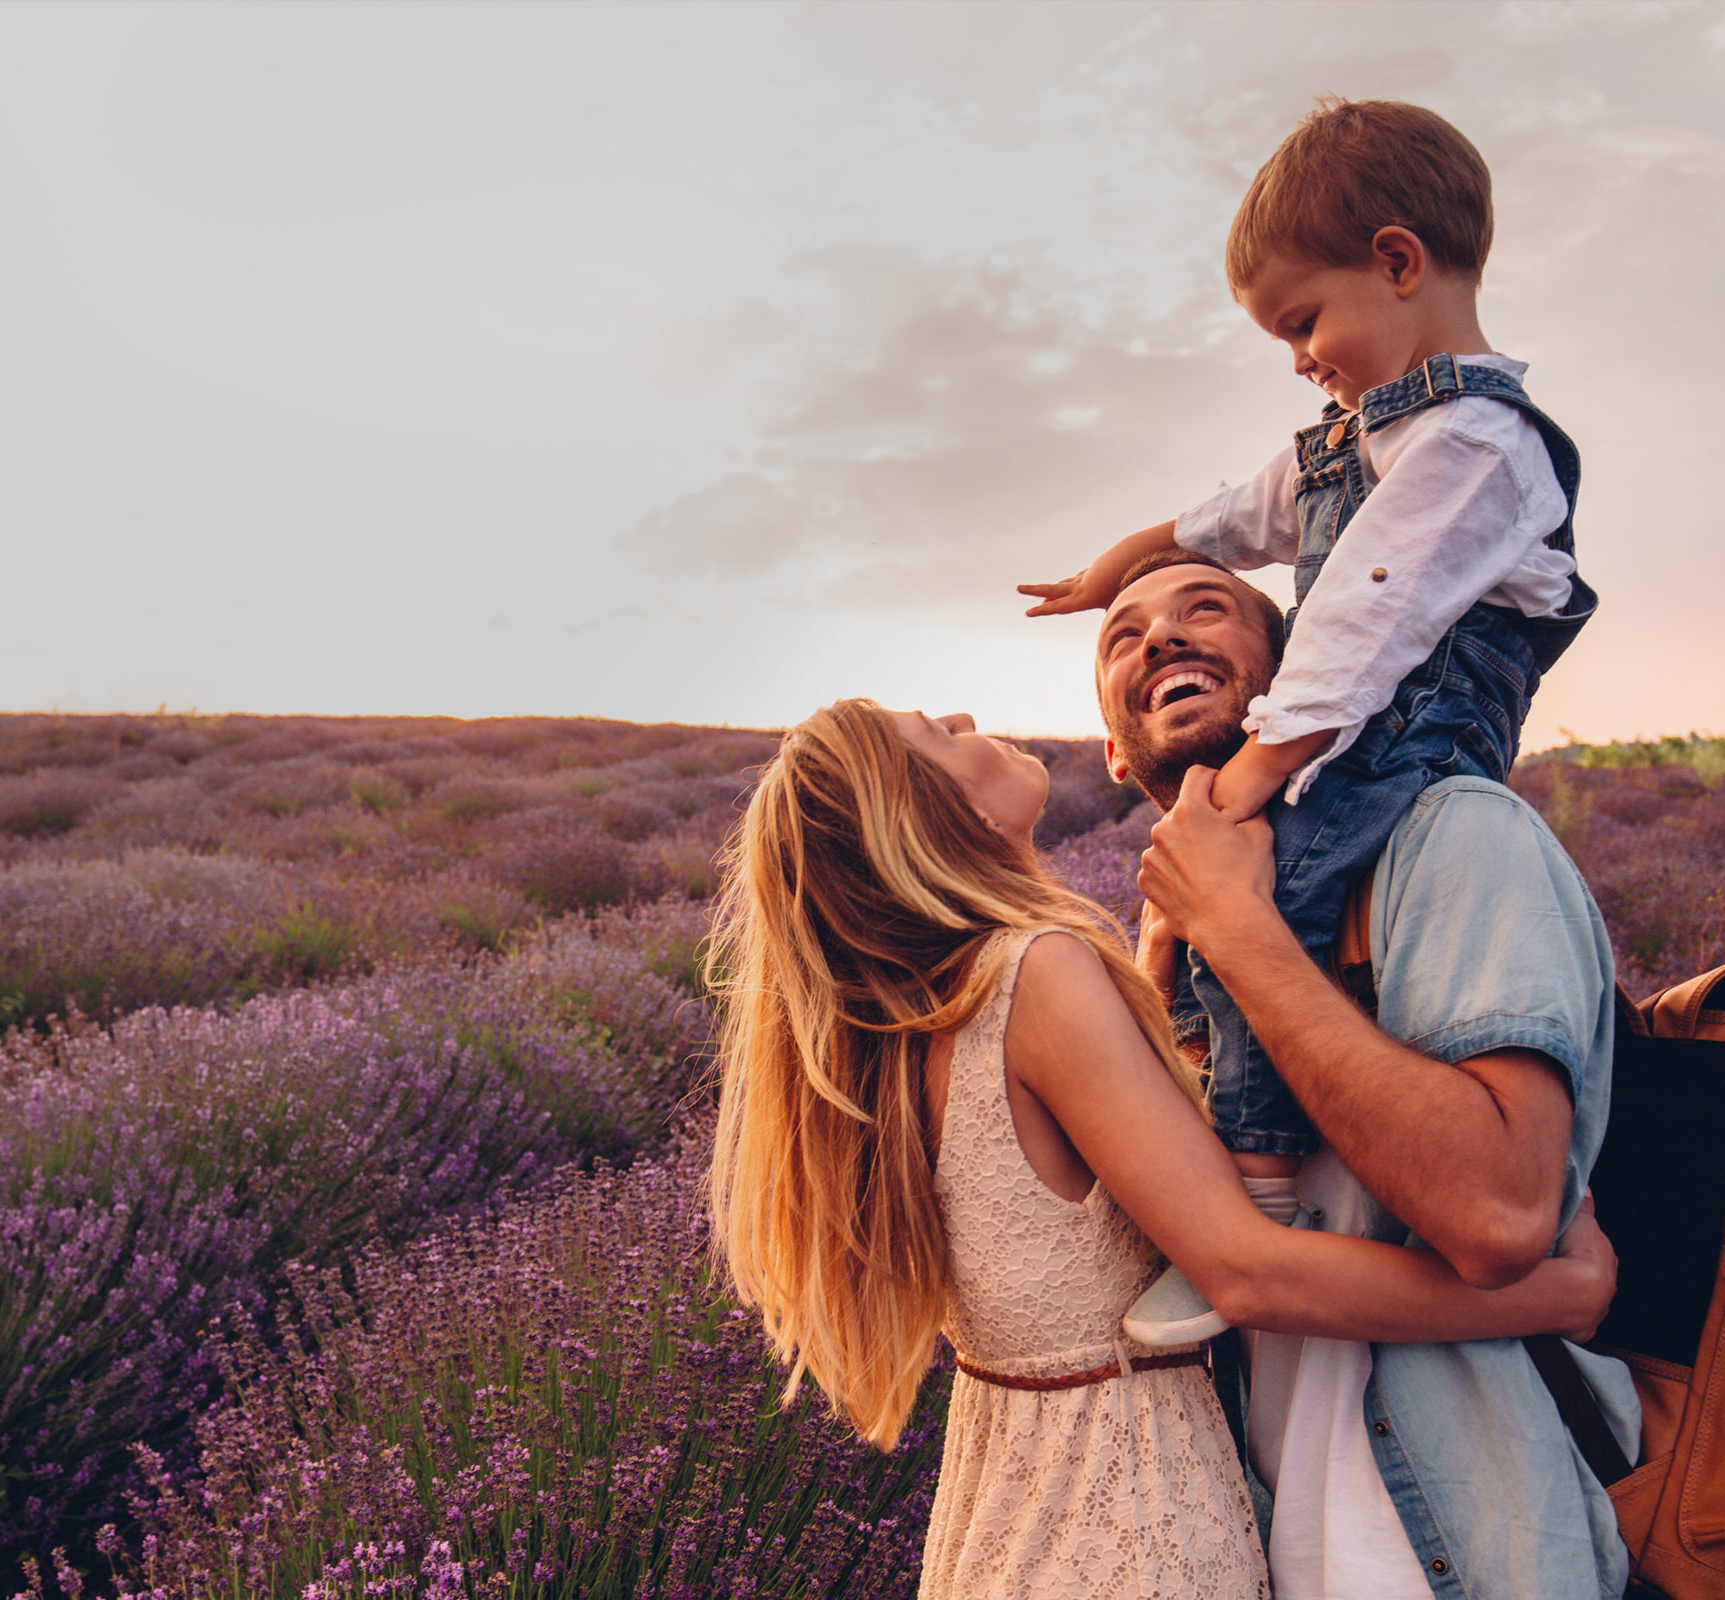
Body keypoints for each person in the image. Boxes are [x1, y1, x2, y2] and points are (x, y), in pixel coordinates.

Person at [701, 697, 1615, 1600]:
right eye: (939, 735)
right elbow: (1248, 1272)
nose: (968, 716)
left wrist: (1150, 969)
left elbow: (1061, 1185)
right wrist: (1549, 1293)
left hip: (1005, 1516)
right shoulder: (1036, 973)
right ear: (943, 815)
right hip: (1132, 1526)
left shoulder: (917, 1020)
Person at [1018, 99, 1599, 1347]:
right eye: (1124, 637)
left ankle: (1255, 1182)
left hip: (1418, 732)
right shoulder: (1361, 437)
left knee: (1267, 885)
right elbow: (1238, 513)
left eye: (1302, 322)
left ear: (1398, 262)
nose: (1296, 357)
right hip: (1352, 721)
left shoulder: (1473, 443)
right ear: (1112, 752)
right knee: (1229, 892)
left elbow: (1359, 629)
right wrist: (1133, 550)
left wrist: (1258, 779)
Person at [1100, 550, 1638, 1599]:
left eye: (1204, 609)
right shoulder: (1164, 964)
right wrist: (1173, 956)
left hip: (1472, 1547)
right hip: (1256, 1546)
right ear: (1116, 758)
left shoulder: (1451, 837)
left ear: (1306, 675)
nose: (1160, 635)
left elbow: (1496, 1211)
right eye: (1123, 635)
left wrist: (1239, 930)